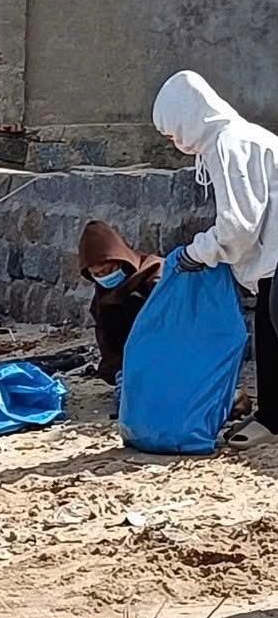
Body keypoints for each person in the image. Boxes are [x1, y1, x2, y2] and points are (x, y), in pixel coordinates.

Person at [152, 70, 278, 448]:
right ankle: (272, 416)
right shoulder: (238, 138)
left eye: (175, 132)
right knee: (268, 333)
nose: (176, 142)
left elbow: (238, 226)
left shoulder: (229, 144)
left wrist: (199, 252)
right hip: (273, 257)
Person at [78, 221, 163, 386]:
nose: (104, 277)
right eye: (97, 274)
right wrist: (119, 371)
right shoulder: (103, 296)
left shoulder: (156, 274)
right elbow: (107, 341)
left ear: (121, 261)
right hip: (130, 364)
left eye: (108, 271)